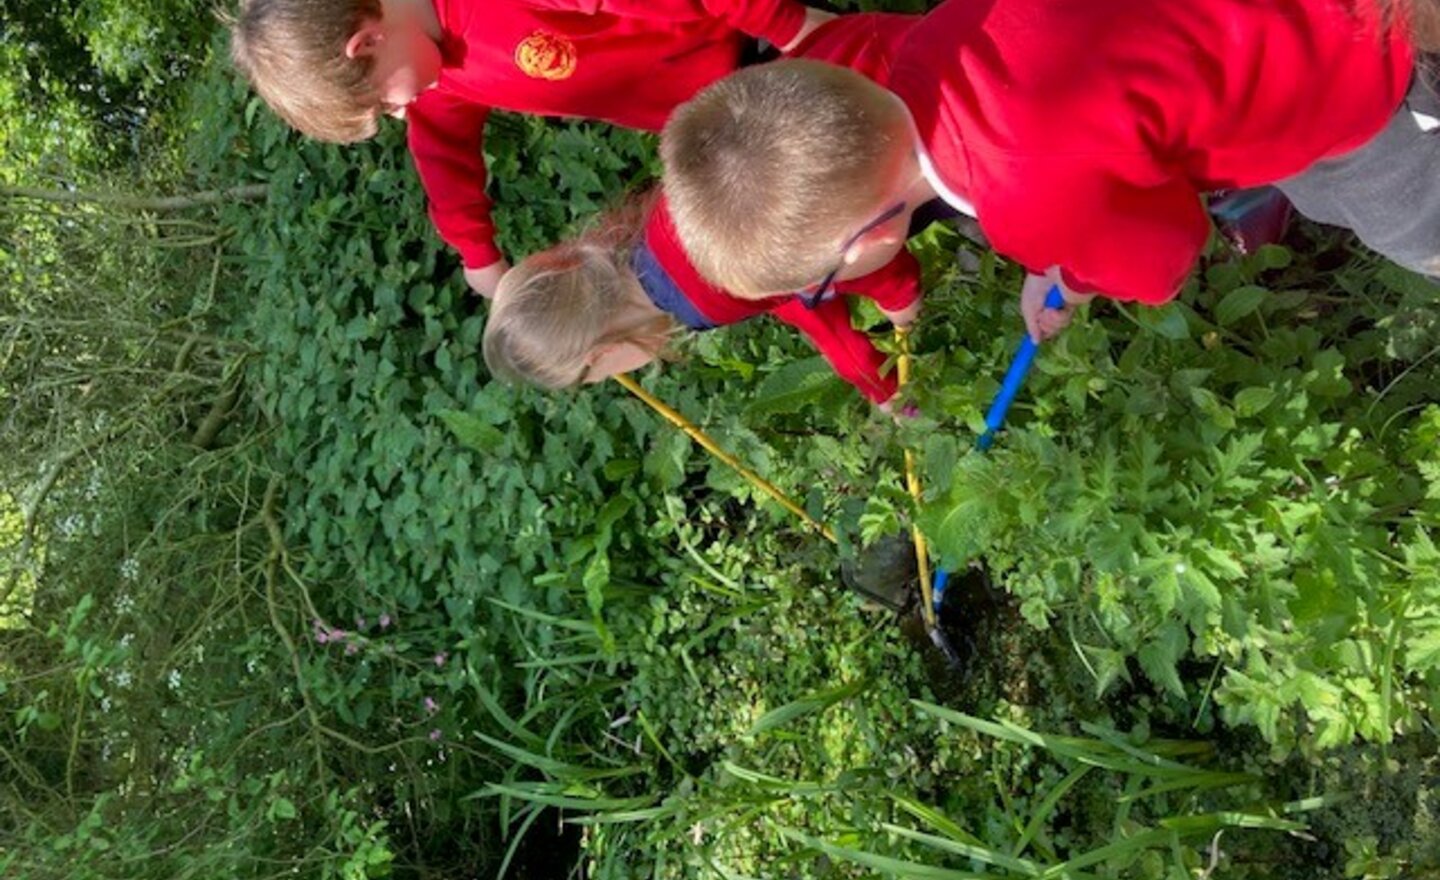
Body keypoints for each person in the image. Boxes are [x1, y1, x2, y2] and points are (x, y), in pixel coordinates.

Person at [659, 0, 1421, 344]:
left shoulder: (1024, 206)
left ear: (865, 246)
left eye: (826, 279)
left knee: (1417, 223)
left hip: (1347, 72)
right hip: (1250, 33)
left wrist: (1077, 270)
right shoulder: (939, 34)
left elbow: (1167, 251)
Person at [228, 0, 834, 297]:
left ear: (367, 42)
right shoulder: (437, 70)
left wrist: (791, 25)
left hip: (761, 41)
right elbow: (441, 151)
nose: (398, 111)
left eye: (382, 103)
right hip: (728, 110)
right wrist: (479, 259)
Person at [482, 190, 919, 404]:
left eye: (595, 378)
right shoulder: (655, 230)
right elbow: (785, 285)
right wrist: (866, 375)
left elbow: (837, 256)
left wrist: (900, 298)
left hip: (885, 193)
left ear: (603, 353)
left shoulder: (702, 300)